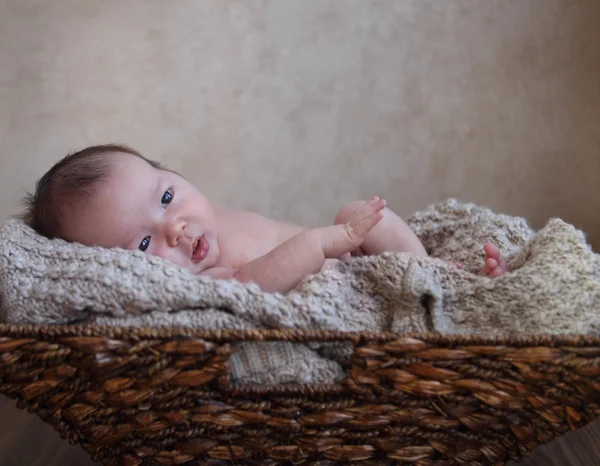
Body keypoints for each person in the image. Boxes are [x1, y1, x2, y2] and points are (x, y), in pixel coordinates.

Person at [21, 144, 509, 294]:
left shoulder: (210, 220)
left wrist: (345, 236)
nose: (175, 228)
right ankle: (447, 293)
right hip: (346, 285)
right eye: (144, 246)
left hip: (359, 260)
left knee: (363, 216)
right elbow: (254, 282)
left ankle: (443, 280)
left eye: (167, 196)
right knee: (348, 218)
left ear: (173, 173)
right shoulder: (207, 278)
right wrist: (324, 242)